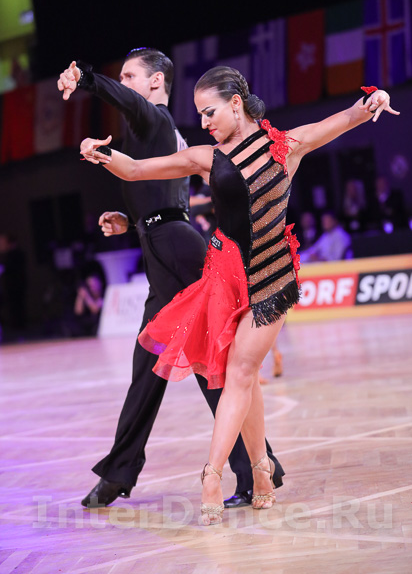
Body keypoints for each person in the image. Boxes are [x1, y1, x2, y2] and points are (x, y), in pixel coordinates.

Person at [80, 69, 399, 525]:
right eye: (199, 114)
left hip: (271, 276)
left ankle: (212, 476)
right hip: (224, 279)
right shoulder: (207, 158)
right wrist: (101, 154)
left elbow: (345, 118)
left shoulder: (287, 145)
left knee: (240, 372)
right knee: (242, 376)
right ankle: (261, 470)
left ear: (236, 103)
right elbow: (136, 170)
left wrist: (374, 99)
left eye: (209, 111)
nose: (204, 121)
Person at [58, 49, 284, 510]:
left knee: (212, 360)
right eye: (121, 77)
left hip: (176, 252)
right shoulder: (161, 132)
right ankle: (119, 473)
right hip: (164, 246)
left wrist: (87, 79)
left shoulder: (153, 116)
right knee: (147, 363)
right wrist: (132, 221)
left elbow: (126, 103)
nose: (125, 84)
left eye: (131, 76)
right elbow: (168, 199)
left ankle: (257, 467)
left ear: (156, 81)